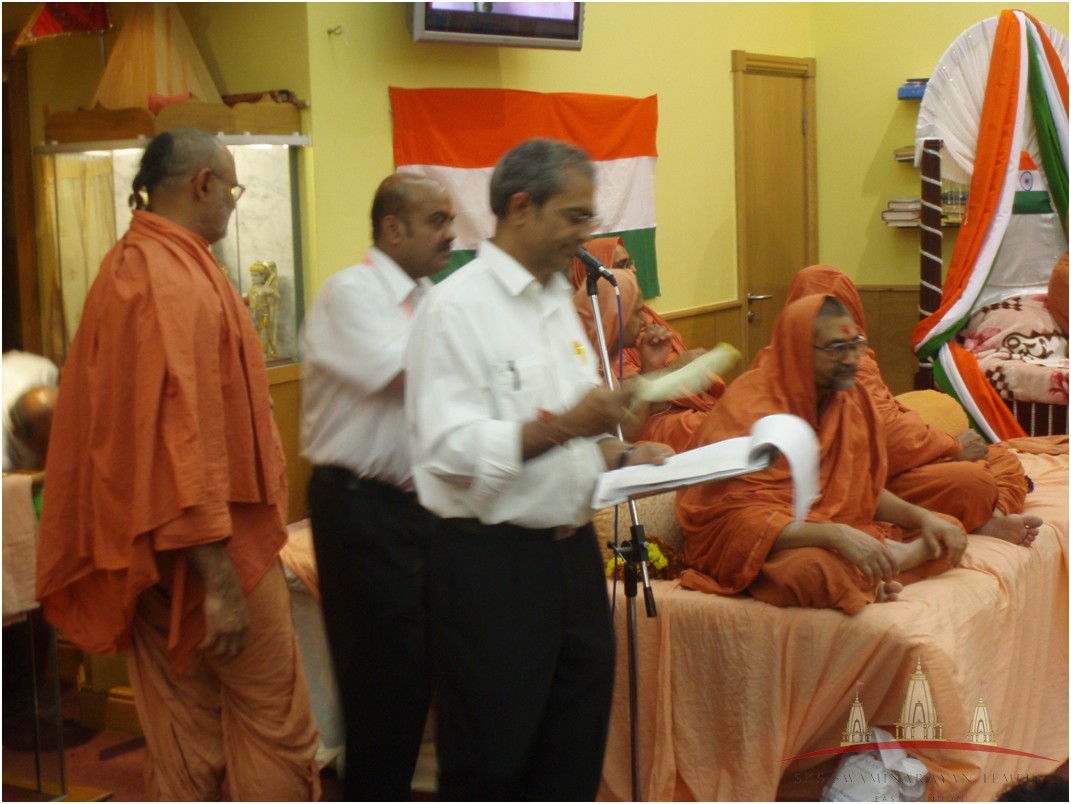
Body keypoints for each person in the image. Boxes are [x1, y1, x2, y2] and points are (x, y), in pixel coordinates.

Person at [35, 128, 319, 801]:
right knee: (273, 723)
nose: (231, 203)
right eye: (232, 188)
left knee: (183, 728)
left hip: (148, 551)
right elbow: (177, 441)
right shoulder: (169, 278)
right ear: (202, 185)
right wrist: (218, 579)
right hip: (214, 552)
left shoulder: (128, 266)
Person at [405, 138, 673, 800]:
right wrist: (571, 425)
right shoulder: (455, 307)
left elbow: (582, 435)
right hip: (491, 569)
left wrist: (629, 456)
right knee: (493, 765)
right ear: (519, 208)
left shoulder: (558, 298)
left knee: (572, 754)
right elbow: (445, 450)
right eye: (574, 216)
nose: (587, 235)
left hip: (572, 560)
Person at [301, 173, 456, 800]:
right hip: (361, 509)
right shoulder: (352, 293)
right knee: (381, 690)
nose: (452, 233)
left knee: (425, 677)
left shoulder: (430, 296)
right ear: (393, 228)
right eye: (438, 221)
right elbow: (410, 374)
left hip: (423, 510)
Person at [676, 294, 968, 614]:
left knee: (946, 524)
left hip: (829, 528)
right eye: (835, 349)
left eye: (855, 344)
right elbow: (736, 517)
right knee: (811, 571)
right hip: (757, 541)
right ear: (799, 350)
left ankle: (883, 564)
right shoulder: (750, 406)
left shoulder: (847, 398)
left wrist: (922, 517)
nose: (851, 359)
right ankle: (884, 564)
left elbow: (861, 489)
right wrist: (835, 535)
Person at [783, 265, 1040, 546]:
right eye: (831, 343)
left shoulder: (842, 358)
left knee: (1000, 459)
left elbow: (883, 426)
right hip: (839, 489)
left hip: (869, 476)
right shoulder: (827, 366)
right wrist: (951, 448)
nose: (842, 350)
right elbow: (886, 441)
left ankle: (989, 518)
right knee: (974, 480)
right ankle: (974, 518)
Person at [570, 237, 724, 448]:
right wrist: (675, 372)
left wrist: (651, 367)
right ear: (616, 316)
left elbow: (626, 427)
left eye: (630, 263)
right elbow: (625, 429)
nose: (644, 321)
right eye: (622, 266)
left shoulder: (625, 324)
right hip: (658, 419)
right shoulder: (580, 354)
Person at [2, 350, 59, 473]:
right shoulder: (3, 457)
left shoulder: (46, 370)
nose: (52, 449)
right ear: (17, 434)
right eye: (43, 445)